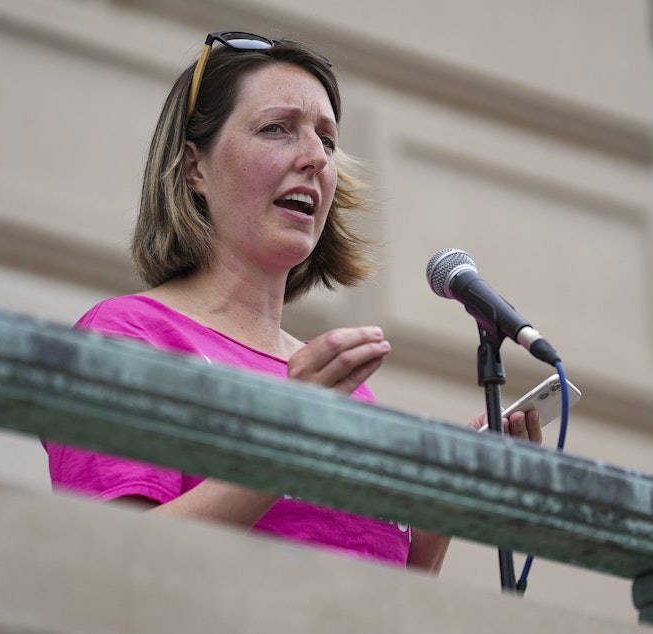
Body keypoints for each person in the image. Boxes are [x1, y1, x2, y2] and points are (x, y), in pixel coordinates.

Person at [43, 31, 542, 574]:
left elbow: (383, 586)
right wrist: (286, 440)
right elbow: (112, 563)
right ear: (194, 168)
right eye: (276, 129)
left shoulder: (339, 385)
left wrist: (452, 499)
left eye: (326, 140)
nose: (315, 159)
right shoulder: (127, 334)